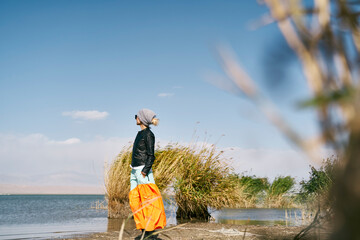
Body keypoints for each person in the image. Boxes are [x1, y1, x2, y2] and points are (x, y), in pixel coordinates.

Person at [129, 108, 166, 239]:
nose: (135, 118)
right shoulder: (139, 134)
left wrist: (145, 171)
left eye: (136, 116)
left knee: (148, 202)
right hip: (134, 171)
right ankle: (144, 229)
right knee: (134, 201)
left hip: (142, 171)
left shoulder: (149, 135)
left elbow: (151, 156)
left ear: (142, 119)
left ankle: (150, 232)